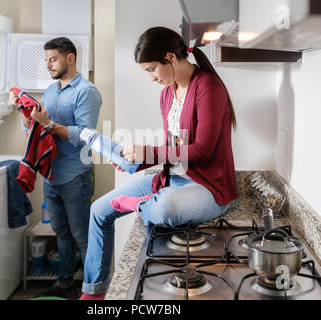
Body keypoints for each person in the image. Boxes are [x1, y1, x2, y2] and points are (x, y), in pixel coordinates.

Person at [79, 27, 238, 300]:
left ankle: (141, 205)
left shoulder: (207, 87)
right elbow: (173, 150)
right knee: (98, 210)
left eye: (152, 69)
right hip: (171, 179)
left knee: (165, 207)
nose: (151, 77)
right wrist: (137, 161)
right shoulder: (167, 94)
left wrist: (147, 153)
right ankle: (94, 293)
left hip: (207, 187)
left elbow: (202, 150)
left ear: (170, 58)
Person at [9, 37, 102, 299]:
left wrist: (49, 124)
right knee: (60, 232)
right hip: (50, 176)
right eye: (46, 59)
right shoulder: (50, 91)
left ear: (70, 58)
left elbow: (85, 134)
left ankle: (94, 291)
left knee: (82, 236)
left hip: (76, 176)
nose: (48, 64)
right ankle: (65, 283)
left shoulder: (87, 92)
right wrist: (27, 116)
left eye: (53, 59)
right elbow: (36, 129)